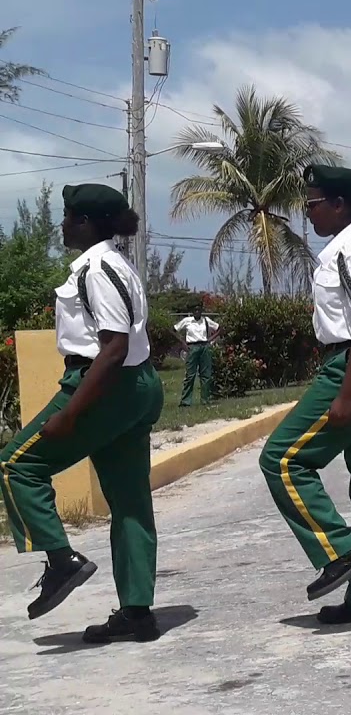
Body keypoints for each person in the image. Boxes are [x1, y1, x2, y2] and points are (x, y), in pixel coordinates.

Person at [0, 183, 164, 642]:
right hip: (130, 386)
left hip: (104, 385)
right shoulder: (115, 264)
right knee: (130, 503)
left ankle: (60, 558)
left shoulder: (97, 268)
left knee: (17, 464)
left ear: (87, 223)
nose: (63, 224)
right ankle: (137, 614)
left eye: (69, 216)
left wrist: (71, 413)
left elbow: (112, 348)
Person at [257, 164, 351, 624]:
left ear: (340, 205)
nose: (308, 214)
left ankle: (339, 550)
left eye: (313, 204)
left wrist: (346, 395)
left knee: (283, 460)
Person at [174, 302, 220, 406]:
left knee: (206, 375)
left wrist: (210, 340)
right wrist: (182, 343)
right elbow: (173, 330)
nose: (197, 312)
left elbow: (219, 328)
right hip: (192, 347)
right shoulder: (187, 321)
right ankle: (185, 401)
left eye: (199, 310)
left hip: (204, 347)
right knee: (190, 375)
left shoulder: (206, 321)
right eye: (195, 310)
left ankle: (205, 400)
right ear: (192, 311)